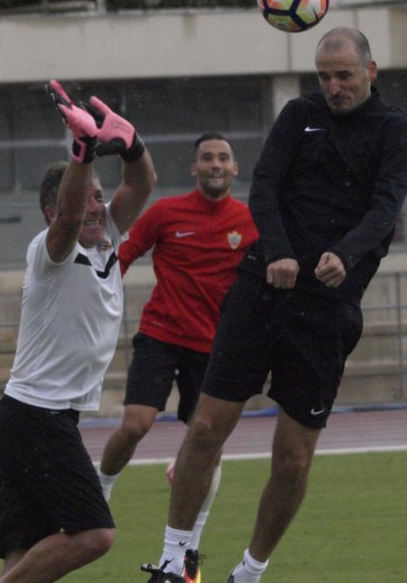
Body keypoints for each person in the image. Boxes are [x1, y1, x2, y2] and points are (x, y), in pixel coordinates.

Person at [143, 27, 407, 583]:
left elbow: (385, 207)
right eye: (324, 76)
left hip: (328, 309)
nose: (333, 86)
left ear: (370, 71)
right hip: (262, 290)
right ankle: (175, 560)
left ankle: (249, 572)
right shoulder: (299, 115)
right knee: (205, 426)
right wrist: (279, 252)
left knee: (292, 459)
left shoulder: (396, 130)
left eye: (344, 75)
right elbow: (264, 188)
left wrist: (346, 254)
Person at [0, 80, 156, 583]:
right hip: (37, 417)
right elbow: (68, 218)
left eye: (100, 197)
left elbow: (141, 184)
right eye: (88, 198)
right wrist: (82, 153)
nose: (97, 206)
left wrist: (132, 146)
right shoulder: (51, 250)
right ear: (52, 211)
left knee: (26, 547)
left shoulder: (107, 239)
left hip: (35, 417)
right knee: (95, 534)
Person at [98, 133, 258, 548]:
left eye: (223, 158)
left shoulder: (250, 222)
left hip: (214, 349)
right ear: (194, 168)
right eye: (207, 158)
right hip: (161, 336)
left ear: (235, 168)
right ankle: (100, 491)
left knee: (210, 446)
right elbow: (123, 254)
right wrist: (100, 299)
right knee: (136, 424)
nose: (215, 164)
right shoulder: (166, 213)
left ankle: (190, 543)